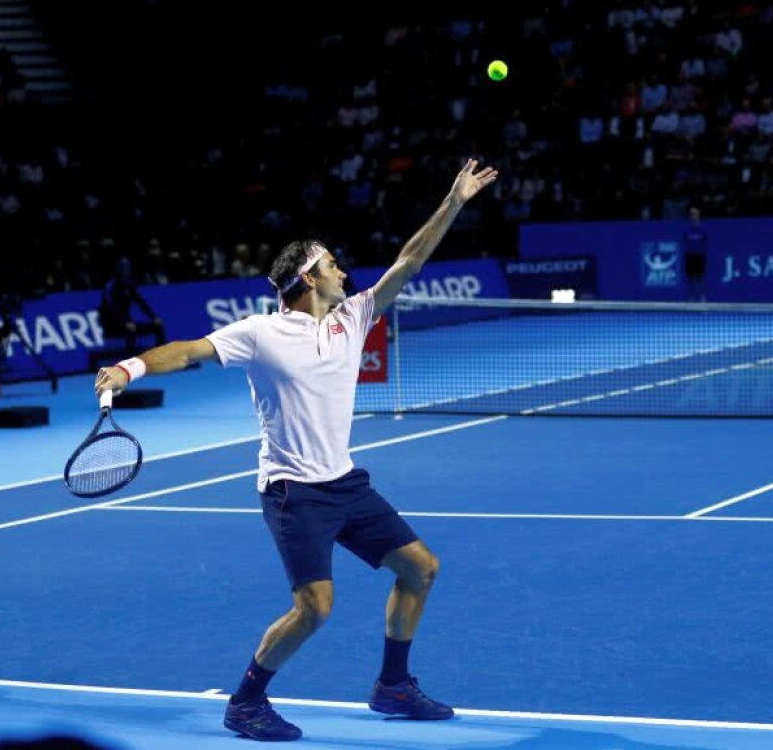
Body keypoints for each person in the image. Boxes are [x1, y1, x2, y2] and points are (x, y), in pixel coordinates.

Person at [94, 160, 498, 742]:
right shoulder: (259, 333)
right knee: (315, 608)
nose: (343, 271)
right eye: (332, 264)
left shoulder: (353, 318)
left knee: (421, 569)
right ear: (308, 278)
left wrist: (454, 201)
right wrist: (128, 368)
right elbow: (186, 351)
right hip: (293, 493)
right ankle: (245, 703)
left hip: (345, 484)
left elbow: (409, 260)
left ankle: (393, 686)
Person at [99, 257, 166, 352]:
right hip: (112, 325)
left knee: (158, 326)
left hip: (128, 323)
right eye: (123, 267)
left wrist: (154, 317)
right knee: (131, 330)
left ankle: (162, 356)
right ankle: (130, 361)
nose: (126, 269)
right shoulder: (110, 286)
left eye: (127, 267)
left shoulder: (129, 285)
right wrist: (125, 321)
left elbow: (141, 303)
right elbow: (112, 308)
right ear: (118, 269)